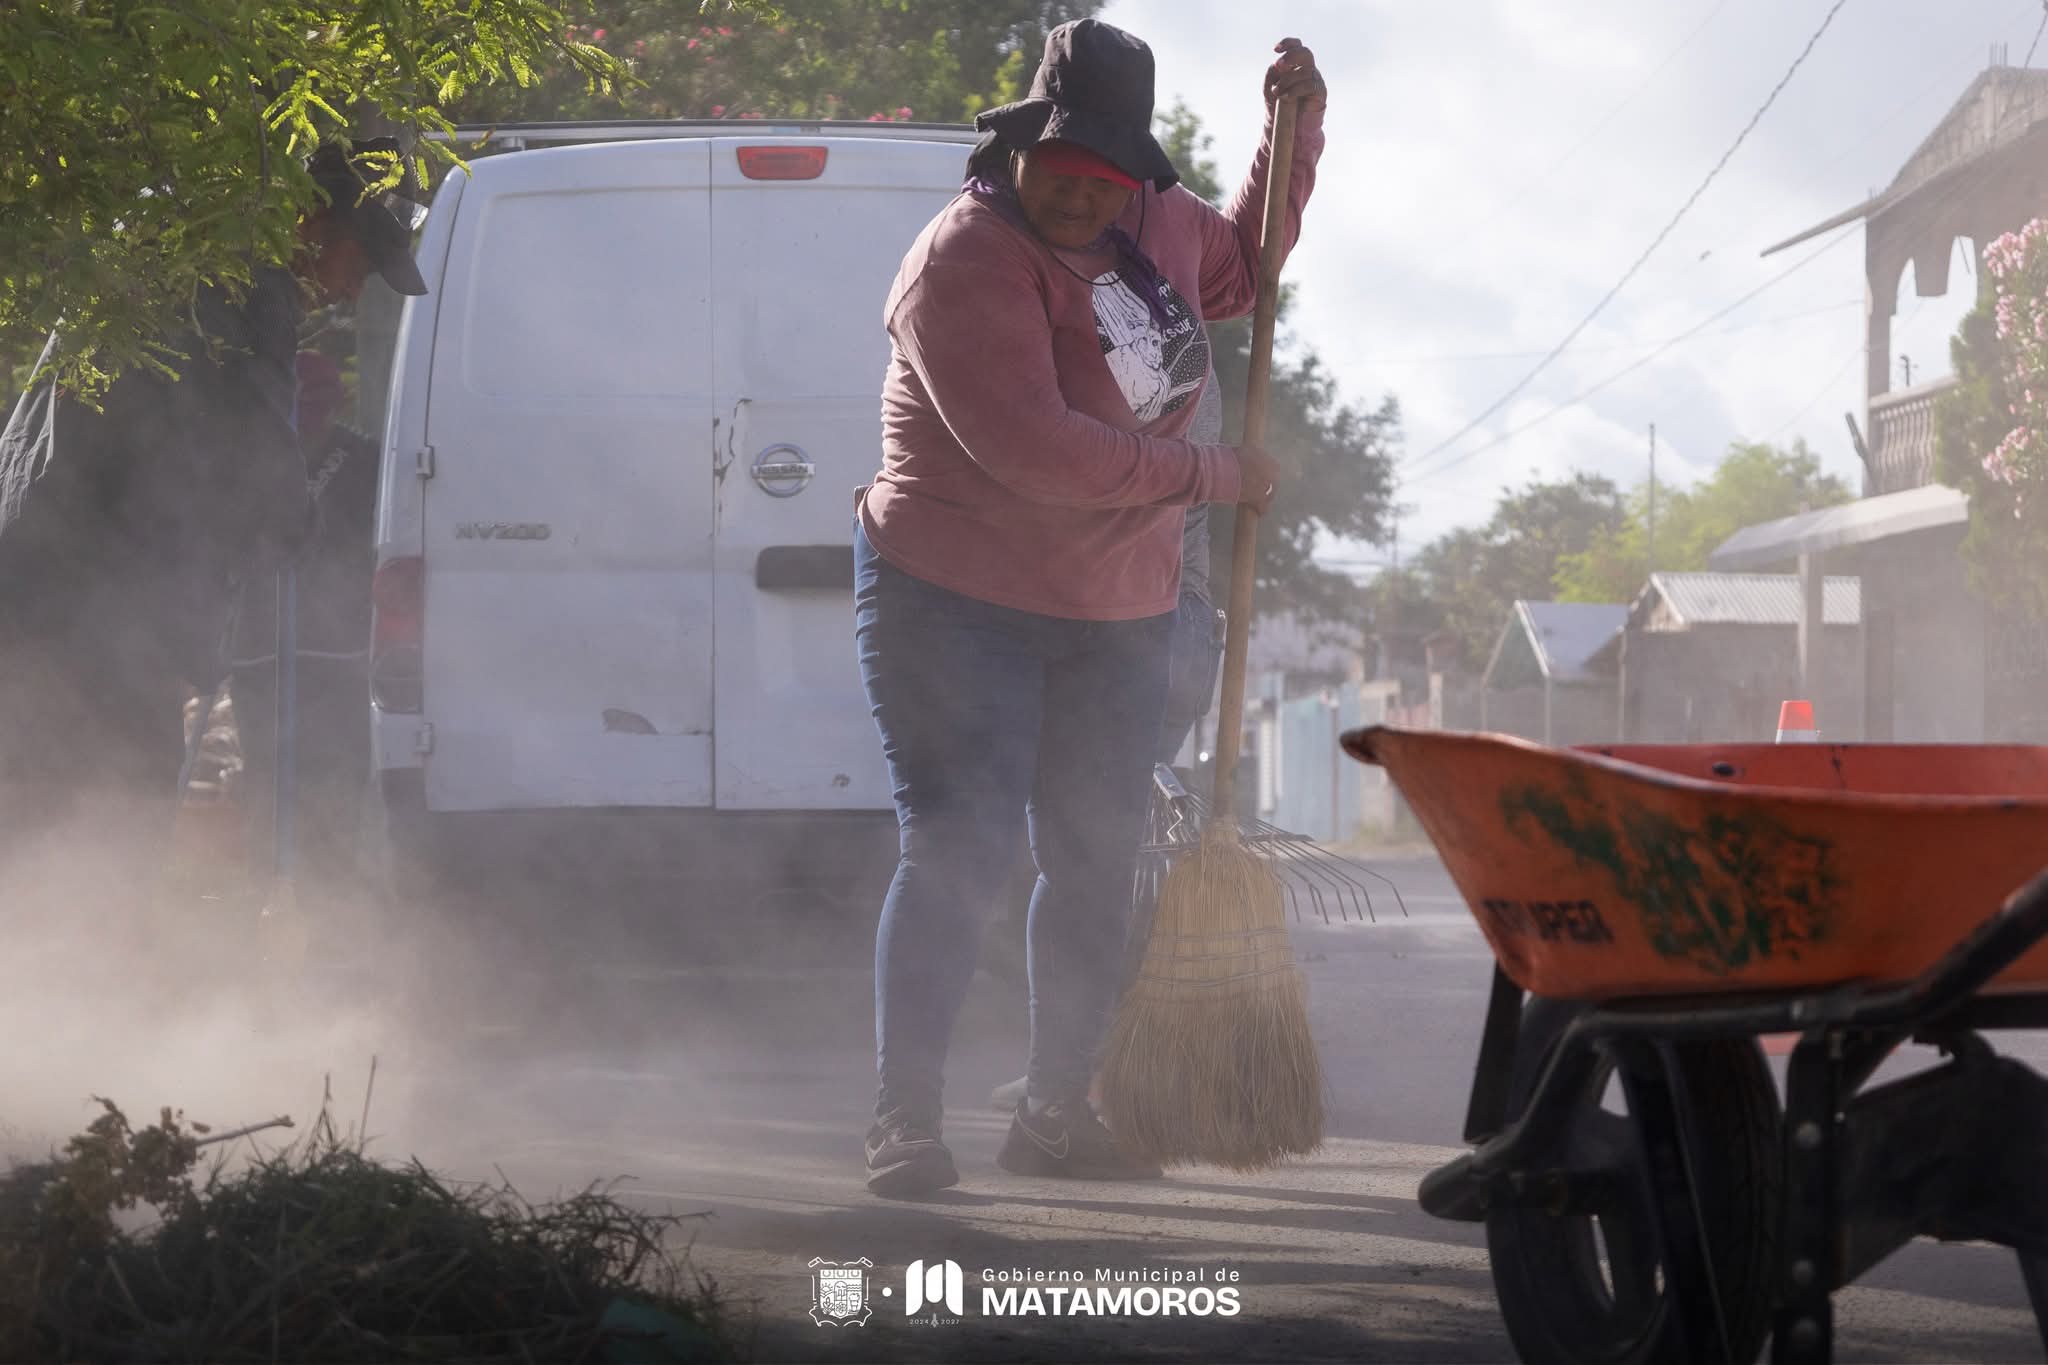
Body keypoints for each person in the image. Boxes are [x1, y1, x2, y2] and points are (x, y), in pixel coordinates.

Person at [855, 17, 1327, 1196]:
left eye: (1104, 175)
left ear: (1133, 172)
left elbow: (1245, 264)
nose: (1079, 194)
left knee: (1094, 854)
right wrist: (1215, 478)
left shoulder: (1151, 220)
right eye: (1060, 167)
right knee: (960, 845)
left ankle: (1055, 1110)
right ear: (1020, 147)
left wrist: (1293, 133)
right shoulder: (963, 259)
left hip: (1113, 605)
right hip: (955, 596)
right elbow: (1038, 454)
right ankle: (903, 1120)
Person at [0, 139, 426, 863]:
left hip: (38, 585)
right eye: (360, 261)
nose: (353, 291)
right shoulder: (251, 285)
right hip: (94, 609)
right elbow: (265, 472)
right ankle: (93, 968)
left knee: (38, 819)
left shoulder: (169, 254)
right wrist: (294, 524)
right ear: (315, 224)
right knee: (107, 822)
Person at [986, 355, 1226, 1116]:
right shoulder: (1174, 330)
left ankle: (1084, 1076)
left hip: (1135, 624)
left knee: (1090, 865)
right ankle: (1075, 1069)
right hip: (1171, 624)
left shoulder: (1139, 337)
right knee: (1110, 862)